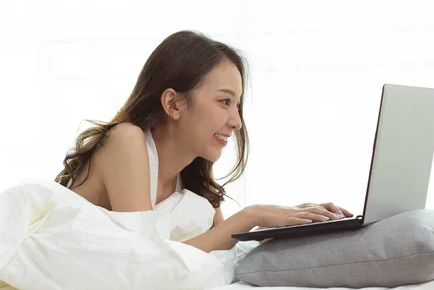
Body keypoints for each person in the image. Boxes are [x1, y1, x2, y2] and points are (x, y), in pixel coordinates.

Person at [54, 30, 352, 253]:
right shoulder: (126, 140)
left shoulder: (191, 176)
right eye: (224, 101)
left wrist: (290, 223)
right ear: (173, 103)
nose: (236, 122)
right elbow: (145, 260)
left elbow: (222, 249)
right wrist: (253, 214)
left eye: (237, 105)